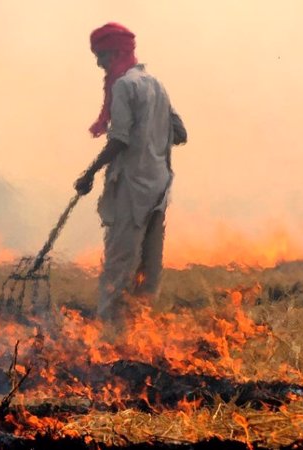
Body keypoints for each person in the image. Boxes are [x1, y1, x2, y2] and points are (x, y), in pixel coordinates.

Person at [74, 22, 186, 332]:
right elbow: (180, 132)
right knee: (149, 270)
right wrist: (153, 136)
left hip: (132, 189)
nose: (99, 63)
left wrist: (89, 174)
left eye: (103, 56)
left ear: (118, 53)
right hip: (159, 190)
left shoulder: (124, 86)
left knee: (119, 266)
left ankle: (111, 336)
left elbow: (119, 138)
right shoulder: (156, 84)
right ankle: (138, 334)